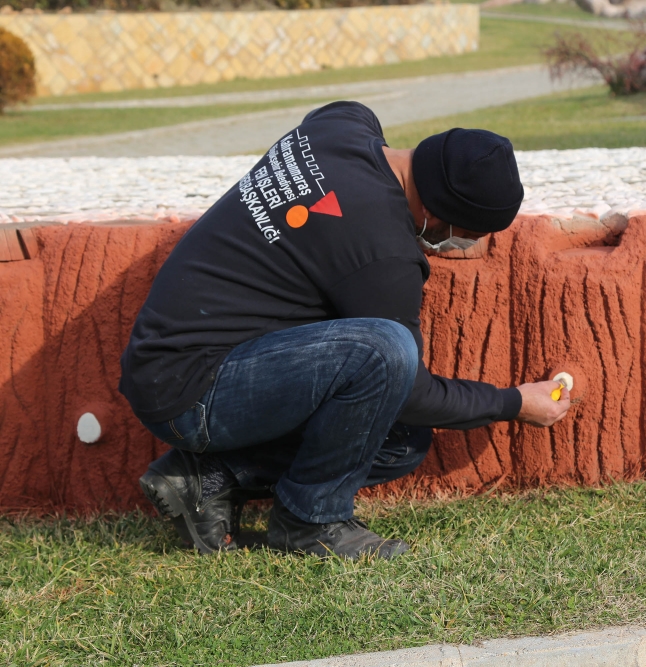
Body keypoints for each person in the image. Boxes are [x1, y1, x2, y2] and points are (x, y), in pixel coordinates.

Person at [119, 101, 572, 560]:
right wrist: (513, 403)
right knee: (388, 350)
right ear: (439, 218)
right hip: (192, 392)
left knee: (400, 442)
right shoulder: (386, 255)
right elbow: (413, 391)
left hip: (174, 363)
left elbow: (335, 115)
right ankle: (310, 521)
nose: (466, 246)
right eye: (469, 235)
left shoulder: (344, 128)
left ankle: (207, 478)